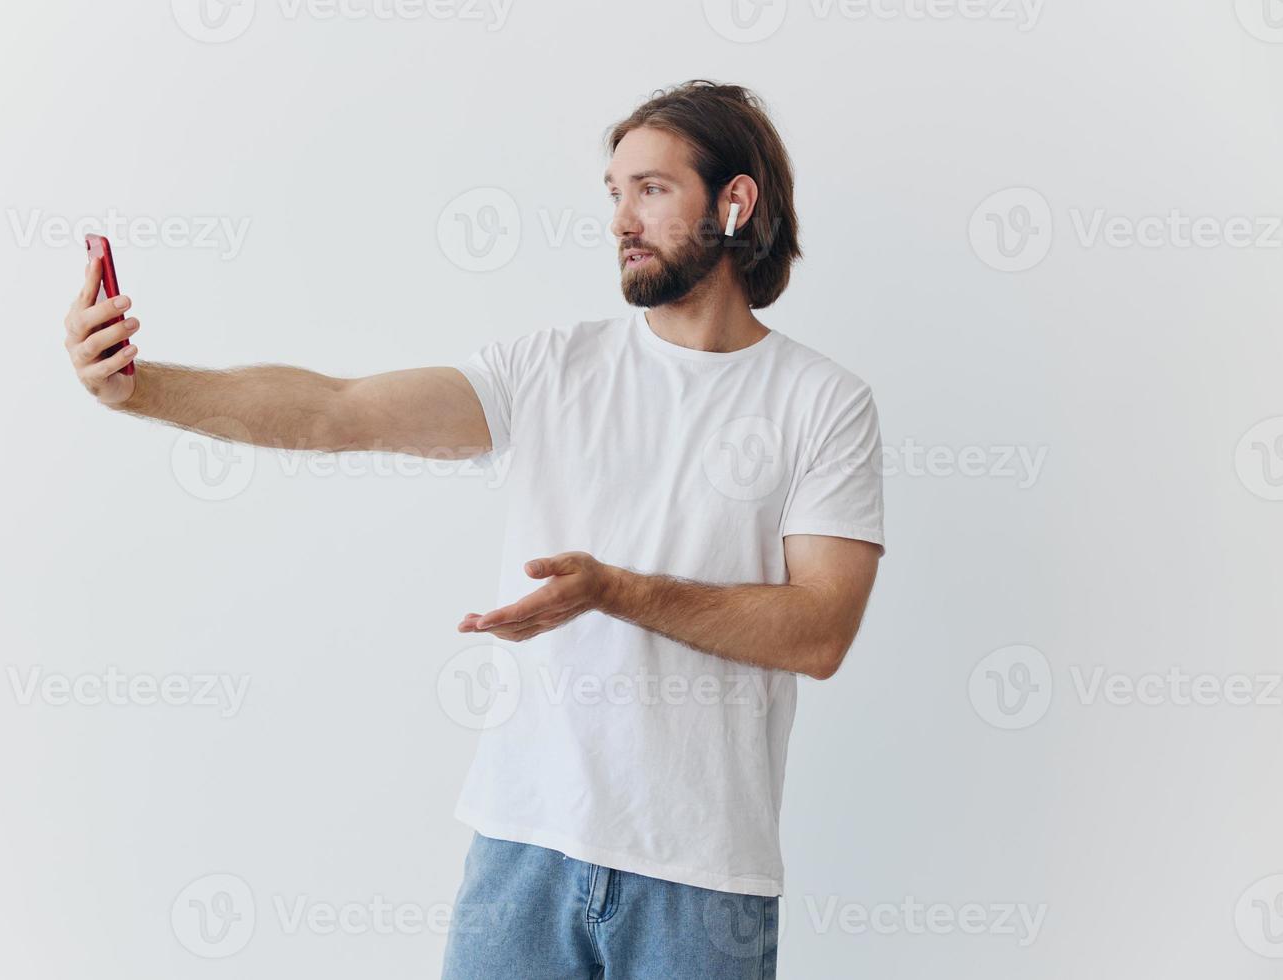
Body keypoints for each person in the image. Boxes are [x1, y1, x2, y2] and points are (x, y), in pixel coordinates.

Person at [62, 79, 884, 980]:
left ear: (735, 200)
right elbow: (336, 410)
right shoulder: (553, 370)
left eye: (651, 189)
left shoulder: (822, 402)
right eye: (613, 193)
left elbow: (820, 631)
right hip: (521, 853)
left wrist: (614, 592)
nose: (621, 219)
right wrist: (140, 388)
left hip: (702, 881)